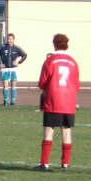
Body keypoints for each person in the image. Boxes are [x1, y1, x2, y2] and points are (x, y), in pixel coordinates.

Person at [36, 34, 80, 170]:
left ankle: (44, 163)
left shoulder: (50, 61)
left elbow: (42, 82)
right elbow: (76, 84)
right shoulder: (73, 62)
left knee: (49, 131)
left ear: (54, 44)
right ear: (67, 45)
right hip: (69, 101)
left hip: (53, 99)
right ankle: (65, 163)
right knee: (66, 131)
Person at [0, 33, 28, 106]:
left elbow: (24, 55)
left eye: (11, 39)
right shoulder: (2, 47)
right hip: (5, 69)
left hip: (13, 69)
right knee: (5, 85)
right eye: (8, 39)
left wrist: (18, 62)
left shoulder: (17, 48)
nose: (9, 40)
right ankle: (5, 101)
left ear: (13, 39)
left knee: (13, 85)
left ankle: (12, 101)